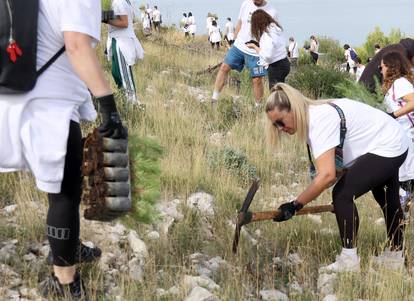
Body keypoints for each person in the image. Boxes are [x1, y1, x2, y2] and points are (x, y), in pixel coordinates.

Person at [0, 0, 127, 299]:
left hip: (18, 93)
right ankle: (65, 281)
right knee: (66, 192)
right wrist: (108, 104)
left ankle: (69, 245)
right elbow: (76, 45)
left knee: (59, 181)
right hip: (49, 105)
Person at [266, 83, 408, 272]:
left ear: (294, 108)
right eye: (276, 125)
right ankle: (395, 257)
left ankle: (349, 261)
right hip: (393, 137)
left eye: (281, 121)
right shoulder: (315, 115)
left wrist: (295, 205)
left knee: (342, 195)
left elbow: (327, 176)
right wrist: (342, 209)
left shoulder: (318, 121)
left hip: (388, 143)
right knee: (385, 198)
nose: (280, 128)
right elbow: (334, 170)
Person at [211, 0, 278, 108]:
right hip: (239, 46)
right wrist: (234, 41)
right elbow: (240, 23)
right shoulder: (246, 3)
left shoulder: (272, 11)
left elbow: (272, 34)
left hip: (256, 51)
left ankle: (257, 107)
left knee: (257, 80)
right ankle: (214, 100)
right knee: (224, 67)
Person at [381, 51, 414, 212]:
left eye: (382, 67)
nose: (381, 71)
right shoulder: (396, 84)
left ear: (391, 67)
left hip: (407, 136)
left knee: (406, 181)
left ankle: (401, 220)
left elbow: (413, 101)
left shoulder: (400, 83)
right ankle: (403, 219)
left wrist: (392, 115)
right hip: (402, 137)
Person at [107, 0, 144, 103]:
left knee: (124, 76)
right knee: (116, 73)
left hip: (121, 41)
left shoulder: (119, 2)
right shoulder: (122, 2)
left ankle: (133, 104)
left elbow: (124, 22)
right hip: (117, 39)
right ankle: (125, 100)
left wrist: (104, 18)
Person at [246, 9, 290, 89]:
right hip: (284, 63)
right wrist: (259, 45)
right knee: (280, 92)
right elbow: (273, 47)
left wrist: (254, 47)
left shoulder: (267, 35)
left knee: (275, 94)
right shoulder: (274, 28)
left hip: (276, 66)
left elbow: (267, 56)